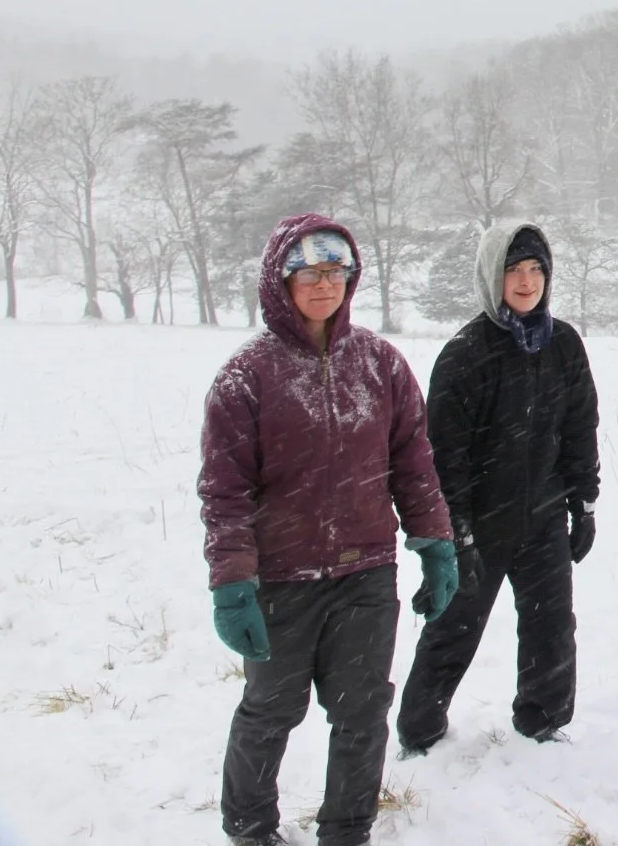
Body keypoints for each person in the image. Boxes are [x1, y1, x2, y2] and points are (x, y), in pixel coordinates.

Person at [199, 215, 456, 846]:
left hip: (366, 572)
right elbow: (225, 492)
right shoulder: (247, 376)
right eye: (310, 274)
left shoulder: (381, 363)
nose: (324, 286)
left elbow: (413, 462)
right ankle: (251, 830)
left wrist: (435, 541)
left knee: (363, 713)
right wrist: (232, 582)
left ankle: (347, 832)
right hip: (281, 579)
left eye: (336, 273)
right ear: (279, 283)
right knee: (270, 713)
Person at [396, 220, 601, 753]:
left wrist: (584, 502)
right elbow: (444, 454)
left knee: (551, 627)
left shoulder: (564, 345)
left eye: (536, 269)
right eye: (514, 269)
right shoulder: (467, 353)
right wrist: (455, 531)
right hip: (479, 525)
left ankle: (542, 721)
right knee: (452, 629)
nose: (527, 281)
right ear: (493, 275)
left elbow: (580, 426)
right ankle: (420, 734)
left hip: (544, 517)